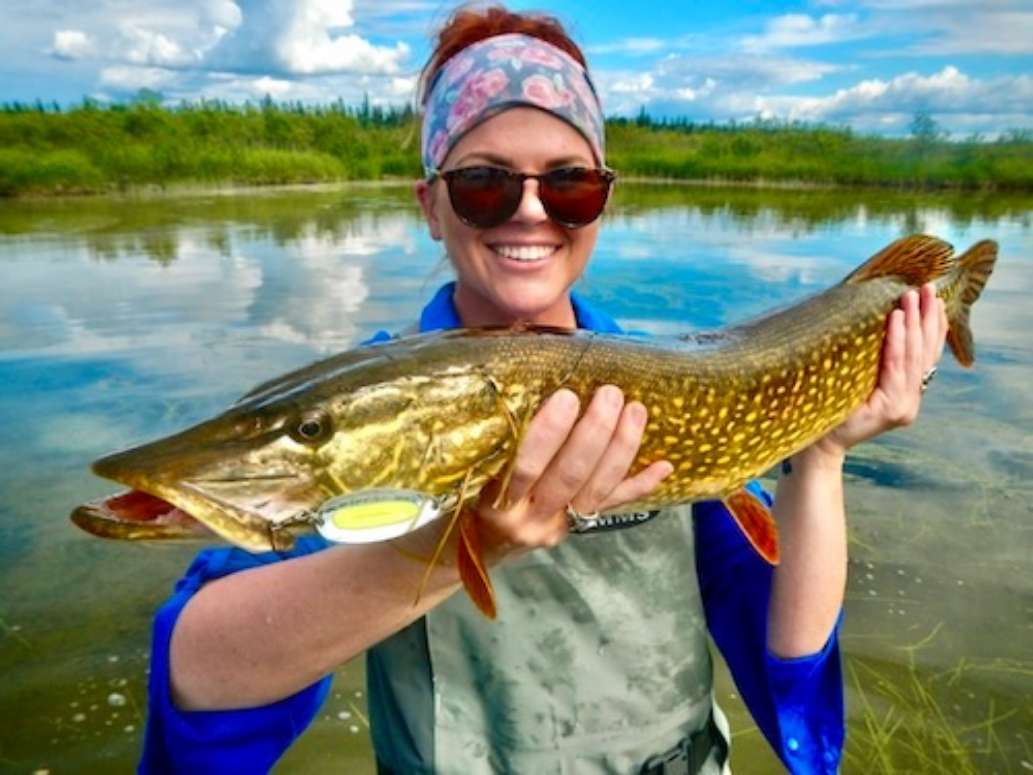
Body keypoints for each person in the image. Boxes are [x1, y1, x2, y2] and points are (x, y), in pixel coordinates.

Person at [140, 5, 949, 774]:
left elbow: (786, 652)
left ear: (601, 204)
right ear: (430, 205)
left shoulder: (668, 383)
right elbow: (200, 674)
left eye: (568, 184)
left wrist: (820, 455)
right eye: (482, 183)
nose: (529, 212)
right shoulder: (375, 403)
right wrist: (448, 547)